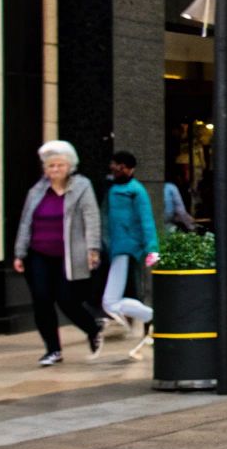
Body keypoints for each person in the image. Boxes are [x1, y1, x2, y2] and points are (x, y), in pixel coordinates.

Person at [11, 140, 104, 367]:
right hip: (38, 254)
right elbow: (26, 222)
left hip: (69, 254)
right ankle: (52, 349)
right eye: (50, 166)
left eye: (59, 165)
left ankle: (93, 329)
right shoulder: (37, 190)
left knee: (66, 300)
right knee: (41, 299)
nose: (54, 170)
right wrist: (19, 253)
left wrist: (93, 249)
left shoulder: (82, 186)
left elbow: (91, 218)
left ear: (69, 166)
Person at [102, 151, 160, 360]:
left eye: (120, 165)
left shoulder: (136, 191)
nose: (116, 169)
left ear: (129, 168)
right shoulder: (114, 189)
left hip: (127, 249)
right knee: (116, 298)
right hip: (118, 248)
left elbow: (147, 220)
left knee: (114, 298)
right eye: (115, 164)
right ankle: (151, 320)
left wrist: (152, 249)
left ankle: (153, 319)